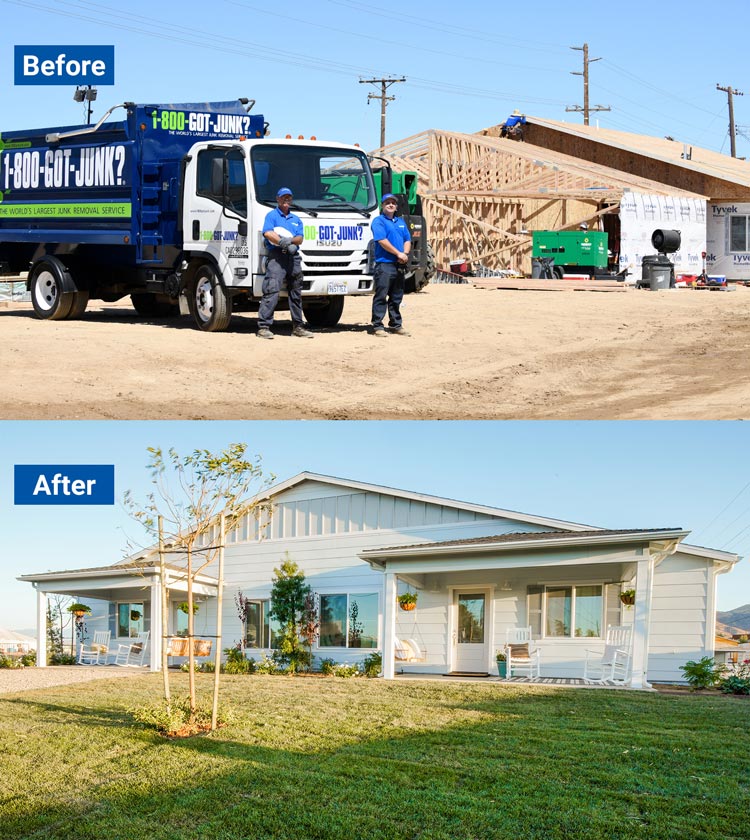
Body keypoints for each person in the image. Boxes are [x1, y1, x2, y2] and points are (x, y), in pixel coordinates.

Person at [258, 187, 314, 339]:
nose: (286, 200)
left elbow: (300, 238)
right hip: (277, 256)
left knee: (296, 292)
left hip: (293, 257)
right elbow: (268, 233)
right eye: (283, 197)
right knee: (272, 290)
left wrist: (288, 241)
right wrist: (282, 242)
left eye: (289, 197)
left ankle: (298, 327)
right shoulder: (271, 215)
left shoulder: (296, 220)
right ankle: (264, 327)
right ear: (277, 199)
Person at [370, 193, 411, 337]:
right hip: (385, 264)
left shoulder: (400, 222)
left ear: (396, 206)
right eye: (387, 202)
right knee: (381, 295)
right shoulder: (378, 221)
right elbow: (382, 240)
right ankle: (378, 326)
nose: (391, 204)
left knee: (396, 296)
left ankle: (395, 324)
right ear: (382, 205)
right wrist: (398, 254)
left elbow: (407, 239)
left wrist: (404, 253)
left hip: (399, 264)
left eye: (393, 202)